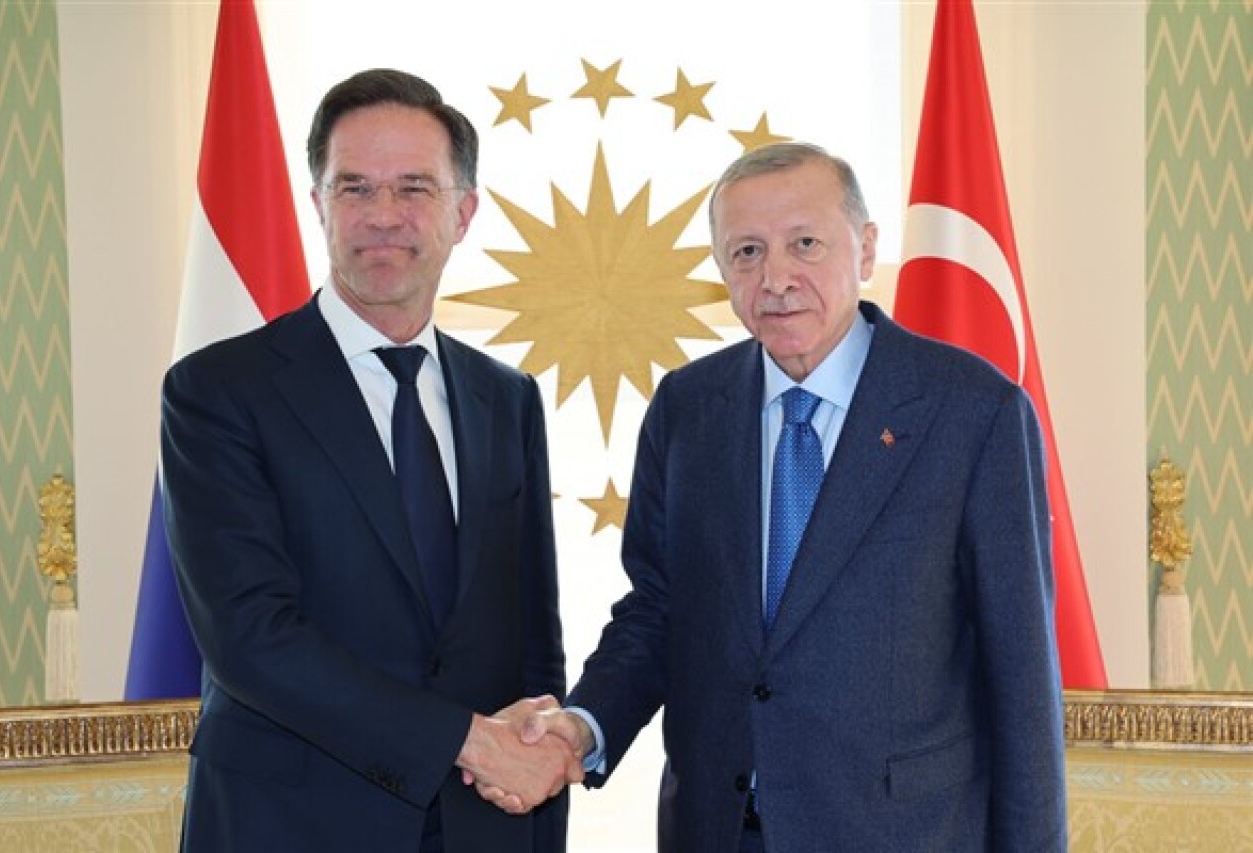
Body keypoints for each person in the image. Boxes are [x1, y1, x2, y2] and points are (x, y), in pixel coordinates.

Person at [505, 143, 1067, 851]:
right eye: (747, 252)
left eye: (805, 244)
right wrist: (582, 727)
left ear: (866, 249)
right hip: (715, 829)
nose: (775, 279)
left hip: (903, 834)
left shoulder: (974, 411)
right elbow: (657, 613)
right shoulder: (688, 408)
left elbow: (1022, 679)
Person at [161, 68, 579, 853]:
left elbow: (532, 641)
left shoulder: (506, 397)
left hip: (483, 825)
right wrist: (467, 739)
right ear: (318, 205)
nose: (383, 215)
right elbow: (251, 636)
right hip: (288, 826)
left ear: (463, 212)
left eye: (413, 188)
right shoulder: (217, 391)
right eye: (355, 188)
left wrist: (536, 786)